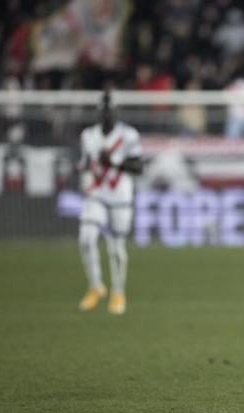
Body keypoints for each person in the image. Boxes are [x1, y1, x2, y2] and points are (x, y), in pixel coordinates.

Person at [77, 90, 143, 315]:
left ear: (116, 112)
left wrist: (114, 161)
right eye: (103, 111)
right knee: (86, 238)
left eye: (110, 111)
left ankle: (117, 291)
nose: (106, 116)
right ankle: (96, 285)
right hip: (96, 194)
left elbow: (138, 167)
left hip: (120, 197)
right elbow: (85, 163)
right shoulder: (88, 135)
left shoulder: (129, 135)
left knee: (116, 248)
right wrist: (83, 171)